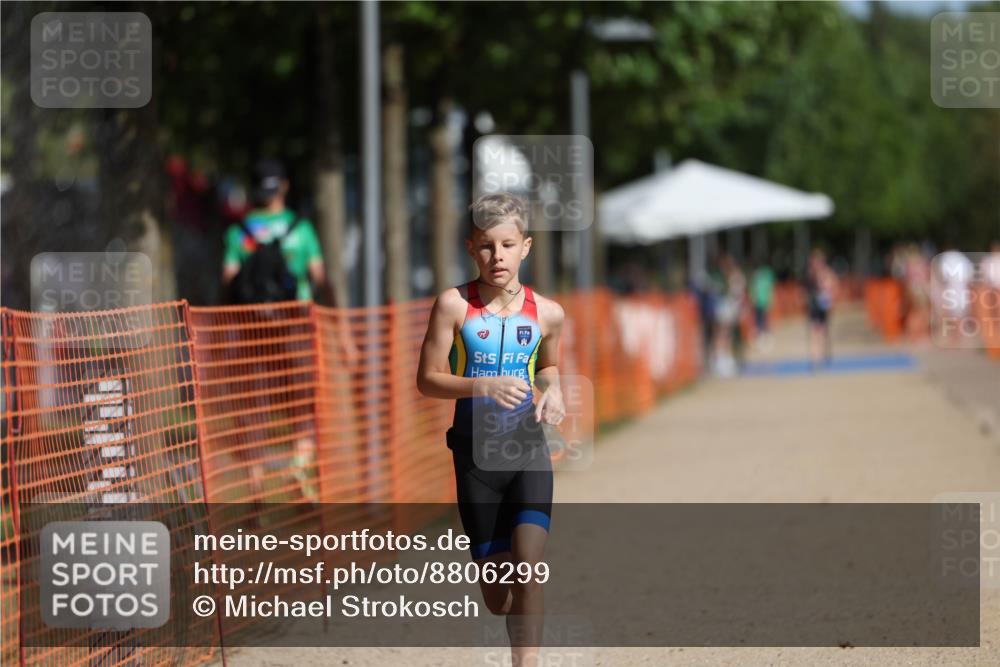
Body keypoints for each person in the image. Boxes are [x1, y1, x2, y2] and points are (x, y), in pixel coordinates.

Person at [417, 192, 565, 667]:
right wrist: (481, 386)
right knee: (499, 598)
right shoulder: (453, 305)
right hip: (475, 461)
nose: (496, 256)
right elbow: (427, 380)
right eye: (485, 246)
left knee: (529, 570)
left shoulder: (548, 313)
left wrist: (555, 392)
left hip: (527, 451)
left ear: (526, 247)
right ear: (471, 248)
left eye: (506, 245)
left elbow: (549, 366)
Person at [222, 159, 328, 304]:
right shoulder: (303, 228)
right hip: (297, 311)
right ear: (284, 186)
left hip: (251, 314)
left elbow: (228, 279)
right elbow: (319, 277)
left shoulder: (237, 231)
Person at [804, 248, 838, 368]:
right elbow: (806, 290)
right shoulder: (810, 274)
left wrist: (831, 298)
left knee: (822, 332)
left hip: (823, 306)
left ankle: (822, 354)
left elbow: (833, 286)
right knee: (814, 333)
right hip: (814, 307)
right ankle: (815, 359)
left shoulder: (827, 273)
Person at [750, 262, 775, 343]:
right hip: (758, 304)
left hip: (764, 303)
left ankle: (766, 333)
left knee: (765, 319)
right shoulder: (756, 282)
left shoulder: (764, 281)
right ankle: (760, 334)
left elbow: (769, 292)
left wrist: (770, 301)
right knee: (758, 319)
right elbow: (753, 292)